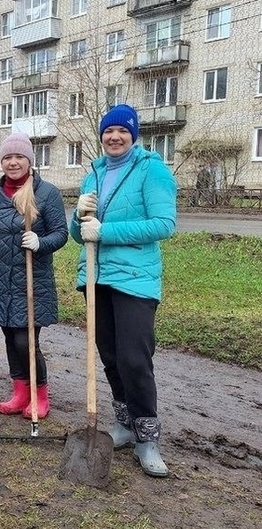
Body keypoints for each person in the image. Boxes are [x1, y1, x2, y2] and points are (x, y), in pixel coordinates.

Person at [69, 103, 176, 478]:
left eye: (122, 132)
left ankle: (148, 437)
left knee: (134, 358)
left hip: (135, 279)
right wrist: (77, 216)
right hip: (96, 278)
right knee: (111, 356)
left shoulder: (152, 169)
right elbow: (80, 233)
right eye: (108, 132)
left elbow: (164, 224)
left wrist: (106, 232)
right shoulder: (94, 173)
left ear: (134, 135)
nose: (114, 137)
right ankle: (126, 425)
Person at [0, 133, 68, 419]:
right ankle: (20, 392)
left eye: (19, 157)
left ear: (29, 160)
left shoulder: (46, 193)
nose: (13, 162)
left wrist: (40, 242)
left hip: (32, 280)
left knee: (25, 341)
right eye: (7, 157)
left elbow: (61, 233)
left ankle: (40, 394)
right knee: (9, 339)